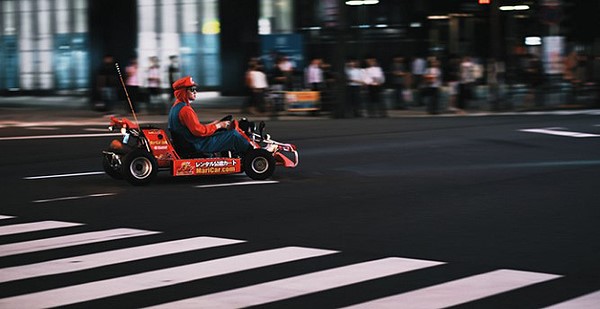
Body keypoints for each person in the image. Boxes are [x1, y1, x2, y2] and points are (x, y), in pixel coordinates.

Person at [168, 76, 251, 155]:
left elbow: (195, 128)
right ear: (183, 92)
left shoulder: (176, 107)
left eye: (195, 89)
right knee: (233, 135)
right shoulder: (185, 110)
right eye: (192, 89)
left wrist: (214, 124)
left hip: (188, 142)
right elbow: (199, 131)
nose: (195, 92)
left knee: (224, 132)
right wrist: (219, 125)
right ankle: (252, 153)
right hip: (197, 144)